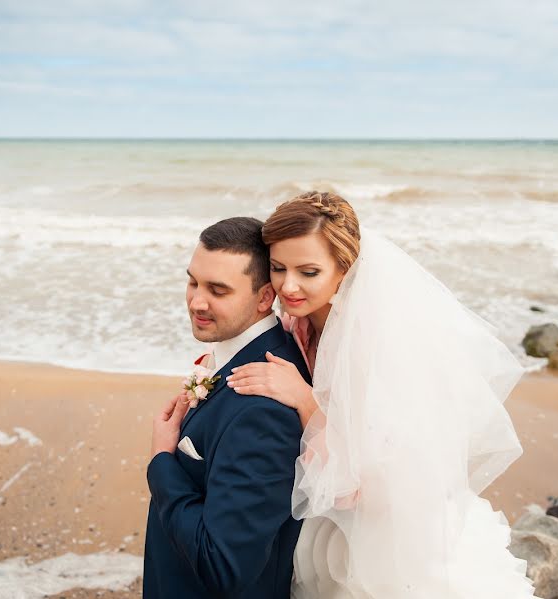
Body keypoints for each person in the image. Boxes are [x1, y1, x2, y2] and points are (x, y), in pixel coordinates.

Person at [226, 192, 537, 598]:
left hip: (379, 530)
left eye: (309, 271)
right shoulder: (301, 318)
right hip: (328, 512)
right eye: (279, 268)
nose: (288, 285)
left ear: (346, 269)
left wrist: (303, 399)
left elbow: (359, 485)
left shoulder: (371, 345)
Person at [144, 216, 313, 598]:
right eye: (193, 281)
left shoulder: (263, 412)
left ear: (265, 298)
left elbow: (223, 566)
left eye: (217, 290)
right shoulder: (241, 355)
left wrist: (161, 462)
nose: (196, 301)